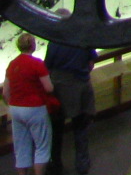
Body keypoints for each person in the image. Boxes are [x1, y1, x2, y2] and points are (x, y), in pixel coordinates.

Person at [4, 35, 53, 175]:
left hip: (15, 108)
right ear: (33, 45)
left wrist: (12, 105)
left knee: (21, 147)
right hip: (35, 108)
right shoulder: (37, 64)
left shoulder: (12, 64)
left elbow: (6, 92)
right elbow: (49, 88)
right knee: (42, 146)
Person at [42, 43, 93, 175]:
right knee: (81, 128)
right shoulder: (84, 40)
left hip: (59, 91)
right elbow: (90, 64)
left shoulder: (55, 42)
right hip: (81, 89)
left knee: (56, 130)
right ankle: (82, 165)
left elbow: (47, 66)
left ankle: (56, 164)